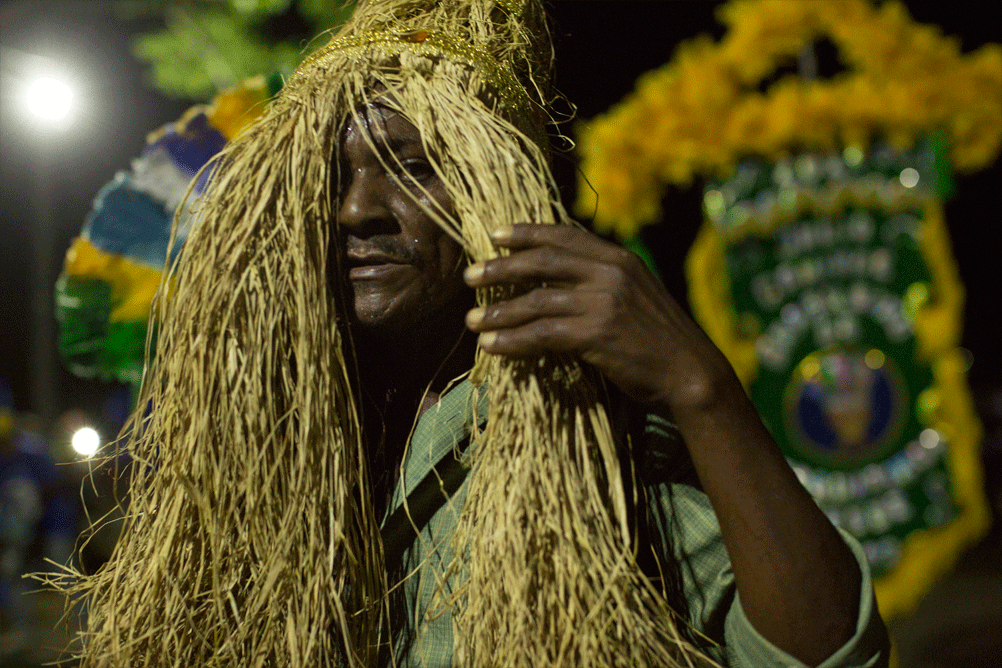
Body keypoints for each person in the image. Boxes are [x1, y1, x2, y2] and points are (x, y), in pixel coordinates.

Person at [66, 1, 889, 667]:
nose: (357, 211)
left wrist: (698, 387)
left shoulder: (596, 458)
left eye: (412, 165)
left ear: (489, 197)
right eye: (333, 178)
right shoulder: (261, 463)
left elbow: (814, 654)